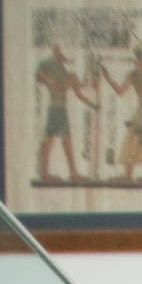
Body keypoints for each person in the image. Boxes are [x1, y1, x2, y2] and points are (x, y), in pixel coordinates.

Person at [99, 40, 142, 185]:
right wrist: (108, 78)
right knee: (137, 139)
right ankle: (131, 175)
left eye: (138, 57)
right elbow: (120, 91)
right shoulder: (133, 75)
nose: (136, 60)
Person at [33, 42, 94, 185]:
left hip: (61, 110)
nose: (62, 55)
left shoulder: (65, 72)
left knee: (66, 142)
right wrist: (49, 81)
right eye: (58, 52)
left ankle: (72, 173)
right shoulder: (47, 64)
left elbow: (79, 88)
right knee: (49, 141)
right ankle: (44, 173)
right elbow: (38, 75)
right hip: (55, 109)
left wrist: (93, 104)